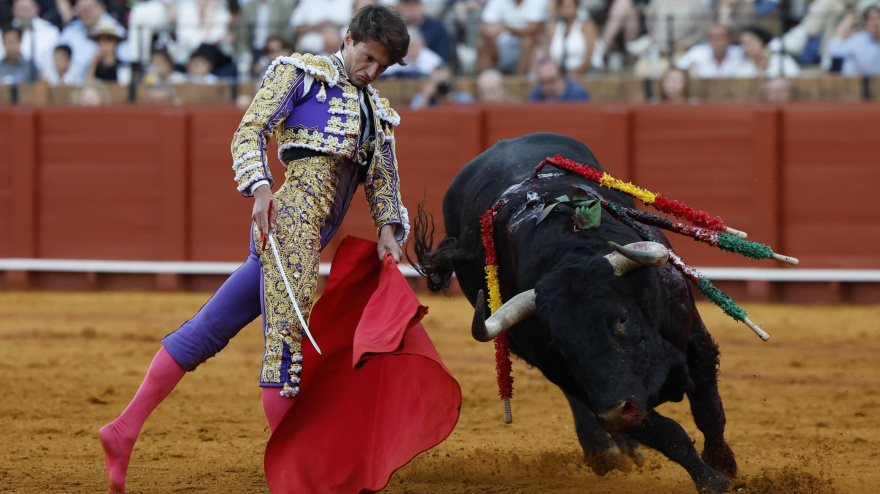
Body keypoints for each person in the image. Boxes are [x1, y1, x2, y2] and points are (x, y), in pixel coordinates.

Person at [98, 5, 411, 494]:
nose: (371, 71)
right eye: (368, 57)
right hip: (288, 225)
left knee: (207, 330)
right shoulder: (301, 74)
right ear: (348, 39)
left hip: (306, 237)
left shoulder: (377, 112)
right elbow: (251, 129)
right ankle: (298, 480)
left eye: (383, 66)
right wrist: (261, 187)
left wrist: (390, 229)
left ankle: (122, 430)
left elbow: (383, 179)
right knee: (285, 351)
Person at [478, 0, 549, 74]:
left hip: (527, 47)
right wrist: (492, 31)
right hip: (500, 45)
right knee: (482, 44)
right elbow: (485, 26)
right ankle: (489, 81)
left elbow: (533, 29)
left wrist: (506, 28)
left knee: (527, 41)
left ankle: (521, 81)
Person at [0, 0, 59, 79]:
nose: (25, 13)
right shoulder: (4, 33)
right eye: (21, 9)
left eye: (28, 9)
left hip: (44, 82)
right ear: (13, 10)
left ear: (37, 8)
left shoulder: (51, 32)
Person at [674, 23, 746, 78]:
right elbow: (678, 69)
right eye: (713, 38)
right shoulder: (697, 52)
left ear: (729, 38)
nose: (717, 42)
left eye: (721, 38)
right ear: (708, 40)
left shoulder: (740, 52)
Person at [828, 5, 880, 76]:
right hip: (859, 83)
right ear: (866, 23)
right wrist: (843, 26)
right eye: (871, 19)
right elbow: (836, 50)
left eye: (878, 18)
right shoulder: (859, 39)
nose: (875, 23)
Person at [735, 25, 800, 78]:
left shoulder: (781, 60)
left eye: (751, 41)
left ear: (762, 41)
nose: (747, 47)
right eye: (743, 43)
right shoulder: (743, 68)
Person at [410, 64, 475, 108]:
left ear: (452, 83)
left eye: (443, 83)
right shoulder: (421, 98)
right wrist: (426, 98)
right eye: (436, 83)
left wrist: (450, 99)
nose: (440, 87)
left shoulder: (465, 99)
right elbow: (415, 118)